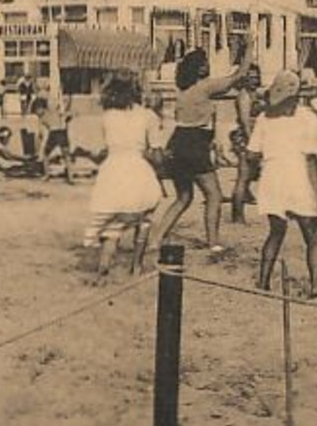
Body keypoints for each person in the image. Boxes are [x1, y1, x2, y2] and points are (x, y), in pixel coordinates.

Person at [145, 45, 250, 258]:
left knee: (183, 197)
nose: (208, 65)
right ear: (198, 68)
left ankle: (155, 240)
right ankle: (213, 243)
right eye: (204, 63)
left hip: (178, 142)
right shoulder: (206, 86)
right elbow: (239, 75)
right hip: (195, 143)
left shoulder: (184, 89)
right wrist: (250, 47)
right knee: (214, 195)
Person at [249, 70, 317, 298]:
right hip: (298, 178)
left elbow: (251, 154)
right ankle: (315, 285)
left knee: (275, 232)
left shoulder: (264, 119)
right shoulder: (308, 118)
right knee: (313, 234)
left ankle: (263, 282)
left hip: (272, 178)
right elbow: (311, 160)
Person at [78, 76, 164, 284]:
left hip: (112, 169)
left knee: (111, 224)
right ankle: (136, 266)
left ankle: (103, 268)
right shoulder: (148, 116)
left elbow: (101, 151)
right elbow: (156, 153)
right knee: (144, 219)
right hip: (137, 168)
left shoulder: (107, 116)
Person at [230, 65, 262, 224]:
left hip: (255, 136)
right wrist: (251, 142)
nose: (254, 80)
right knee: (243, 177)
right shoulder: (244, 96)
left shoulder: (254, 93)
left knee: (248, 175)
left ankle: (241, 203)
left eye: (256, 77)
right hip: (246, 137)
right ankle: (237, 215)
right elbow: (244, 121)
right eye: (250, 77)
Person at [35, 95, 74, 183]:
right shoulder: (52, 111)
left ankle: (47, 175)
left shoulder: (43, 116)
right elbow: (67, 114)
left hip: (54, 133)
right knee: (67, 156)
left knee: (46, 154)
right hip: (62, 132)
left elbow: (40, 134)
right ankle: (70, 178)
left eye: (37, 110)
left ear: (41, 108)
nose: (37, 112)